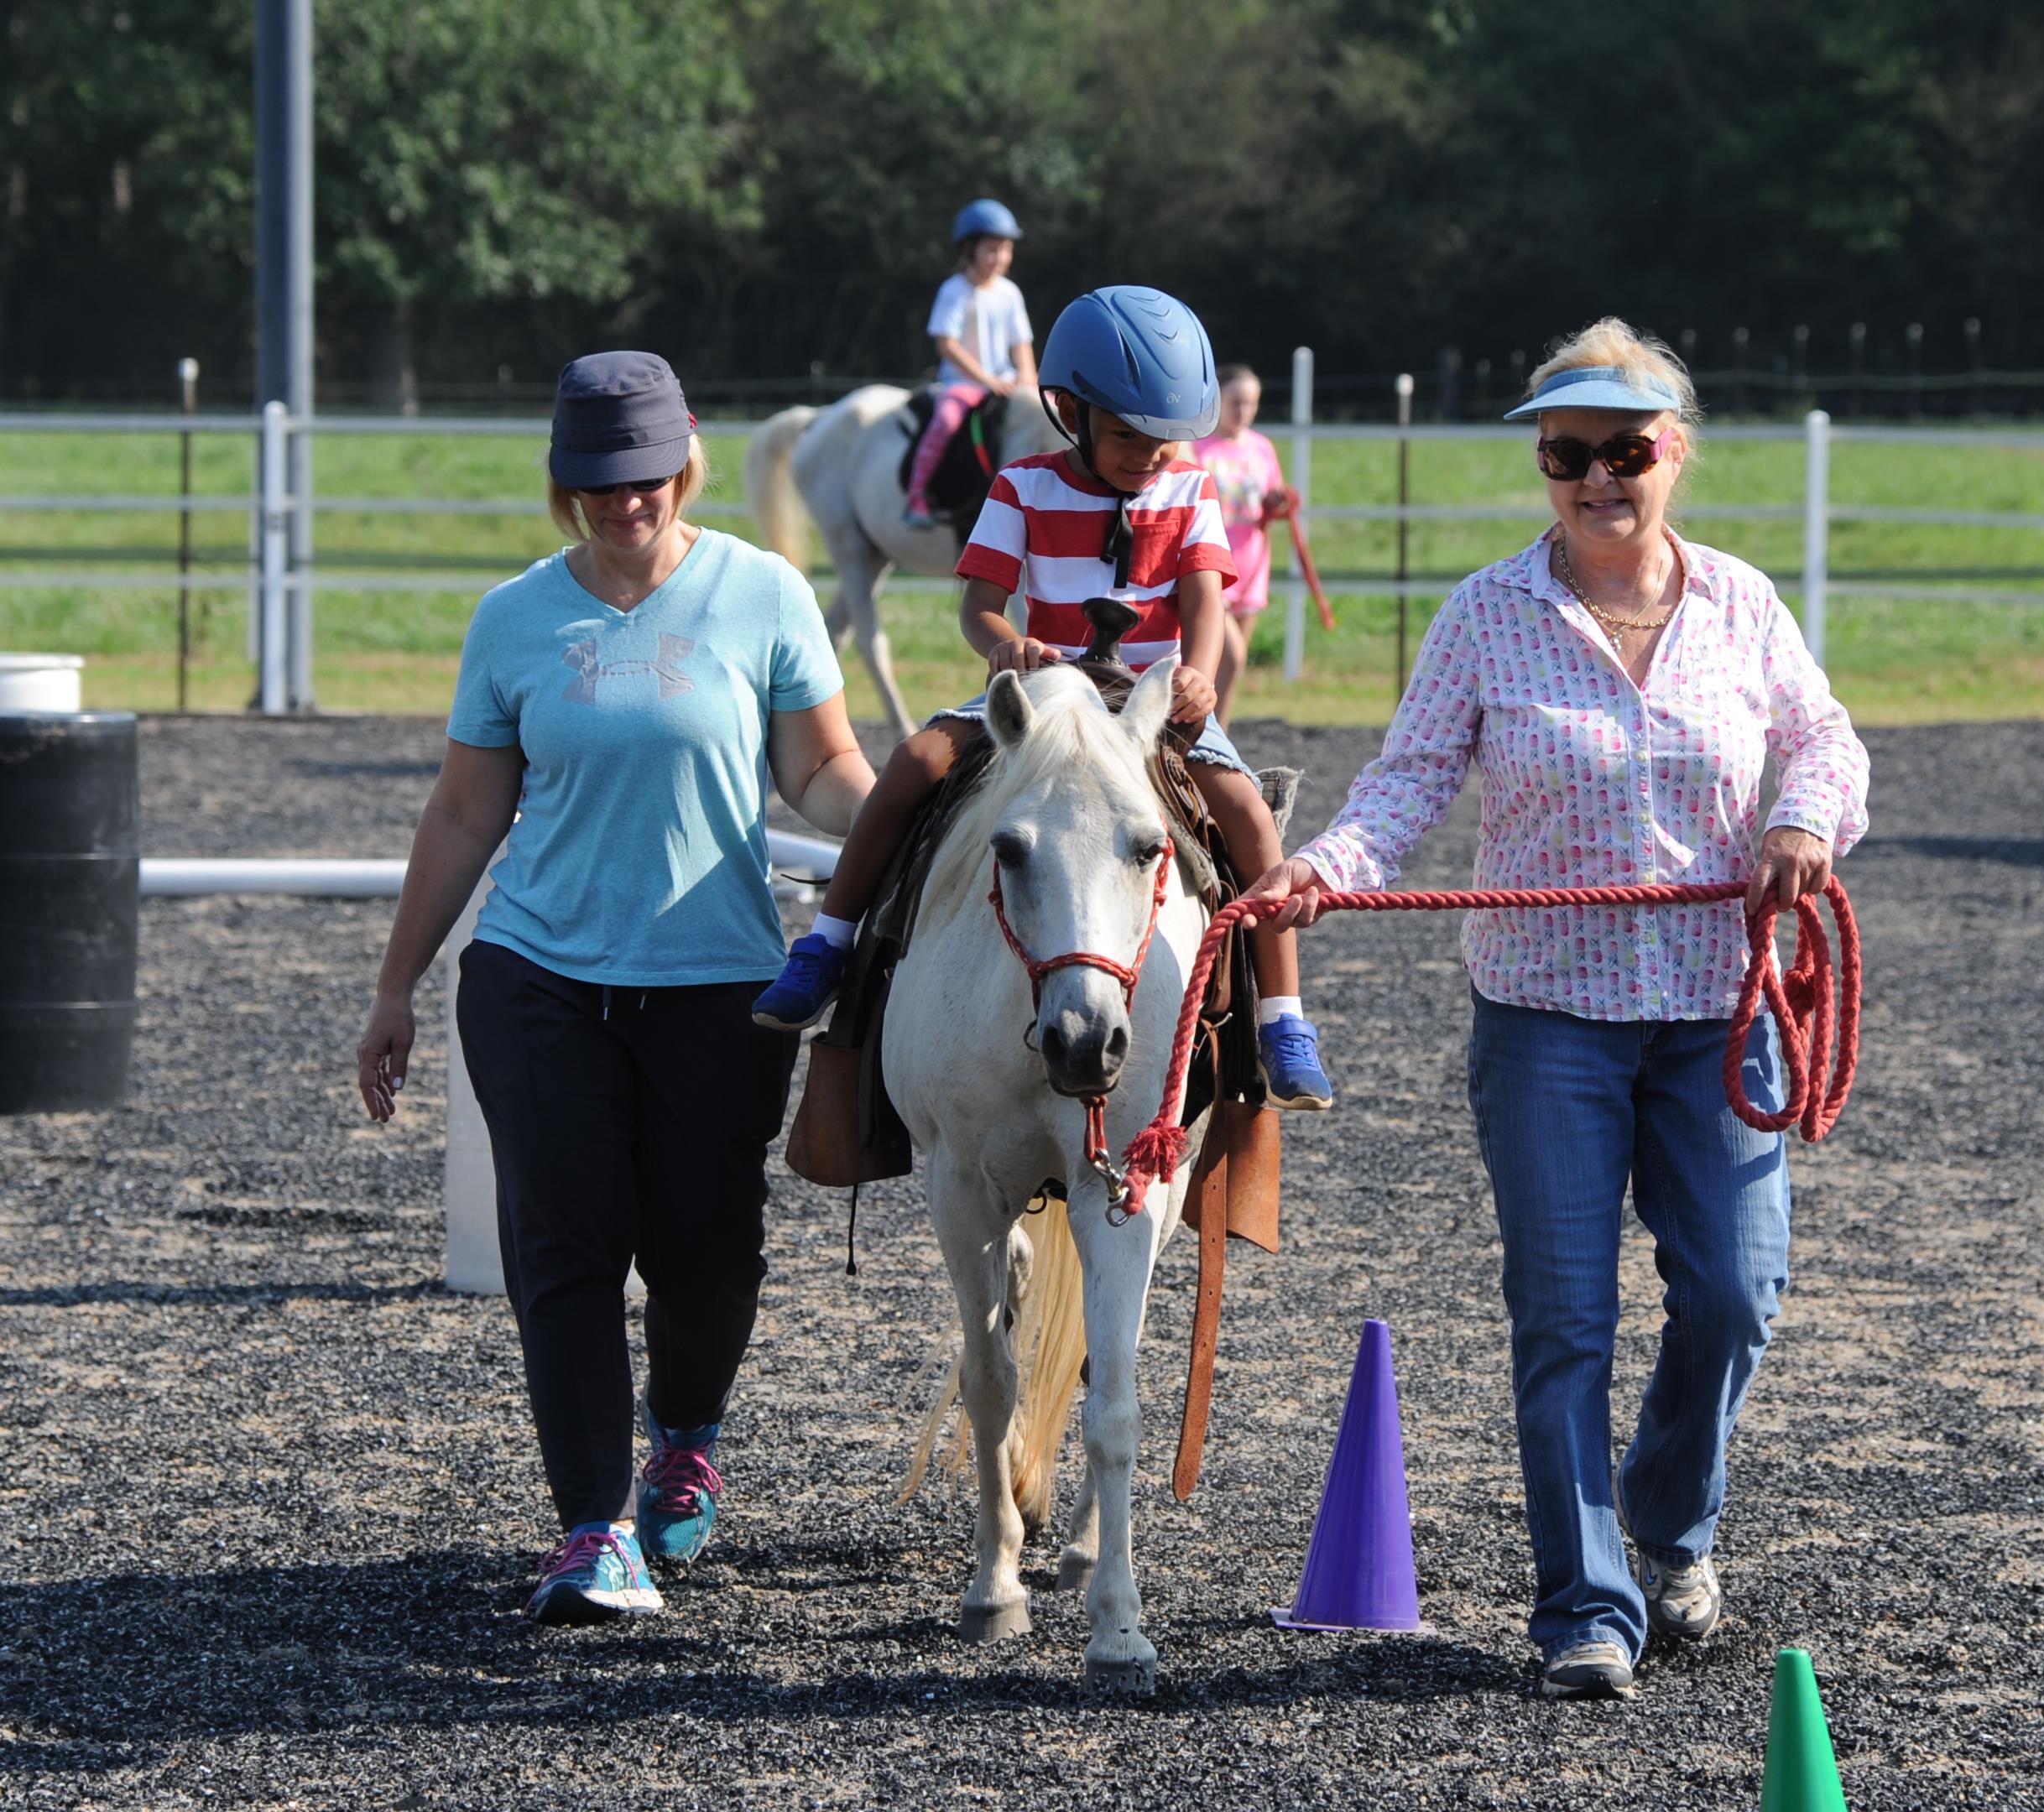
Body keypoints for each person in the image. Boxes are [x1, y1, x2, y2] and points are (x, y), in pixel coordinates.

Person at [1240, 319, 1869, 1699]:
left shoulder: (1743, 605)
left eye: (1624, 452)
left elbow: (1822, 736)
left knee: (1737, 1294)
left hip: (1718, 1006)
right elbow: (1409, 781)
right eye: (1567, 453)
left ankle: (1670, 1516)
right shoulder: (1486, 613)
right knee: (1565, 1319)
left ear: (1674, 454)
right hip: (1546, 1018)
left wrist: (1807, 821)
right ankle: (1586, 1606)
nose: (1596, 478)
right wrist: (1325, 870)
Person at [354, 351, 875, 1625]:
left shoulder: (762, 591)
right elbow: (465, 812)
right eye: (596, 481)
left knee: (709, 1256)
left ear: (683, 465)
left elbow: (820, 771)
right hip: (537, 977)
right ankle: (593, 1530)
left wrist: (910, 827)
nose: (623, 501)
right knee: (563, 1249)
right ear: (563, 482)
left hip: (720, 985)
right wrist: (395, 986)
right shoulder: (514, 619)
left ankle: (685, 1434)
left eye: (643, 477)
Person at [753, 286, 1333, 1110]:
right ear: (1070, 412)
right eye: (1128, 436)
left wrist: (1198, 675)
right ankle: (829, 944)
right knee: (913, 763)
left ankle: (1282, 1018)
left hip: (1153, 700)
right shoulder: (1021, 487)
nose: (1150, 456)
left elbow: (1204, 602)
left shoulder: (1191, 489)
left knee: (1246, 812)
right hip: (1045, 691)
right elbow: (979, 606)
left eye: (1166, 439)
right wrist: (1006, 645)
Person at [904, 199, 1038, 528]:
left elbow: (1021, 343)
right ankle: (917, 496)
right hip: (962, 384)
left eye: (1005, 249)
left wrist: (1028, 378)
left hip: (1006, 382)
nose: (1000, 257)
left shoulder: (1010, 293)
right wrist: (987, 379)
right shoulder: (954, 291)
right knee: (945, 423)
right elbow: (946, 345)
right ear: (969, 249)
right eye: (991, 249)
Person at [1191, 363, 1297, 715]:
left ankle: (1219, 733)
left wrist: (1278, 502)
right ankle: (1206, 731)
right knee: (1229, 657)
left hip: (1251, 565)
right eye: (1236, 402)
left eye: (1251, 403)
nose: (1244, 411)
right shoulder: (1198, 448)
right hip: (1212, 566)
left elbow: (1269, 495)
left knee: (1230, 669)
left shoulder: (1261, 448)